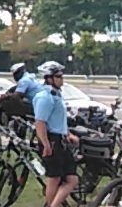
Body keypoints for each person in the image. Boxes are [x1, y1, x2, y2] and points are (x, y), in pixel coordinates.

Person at [33, 61, 80, 207]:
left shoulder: (56, 95)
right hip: (51, 140)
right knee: (54, 178)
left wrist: (68, 134)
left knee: (72, 179)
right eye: (58, 76)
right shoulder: (44, 97)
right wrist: (46, 144)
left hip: (60, 140)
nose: (62, 79)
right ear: (49, 78)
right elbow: (40, 123)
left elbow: (58, 120)